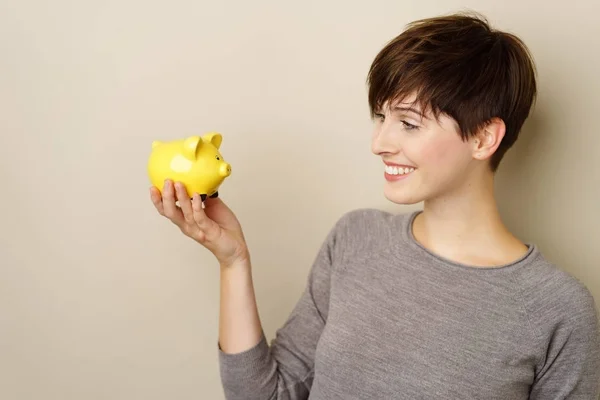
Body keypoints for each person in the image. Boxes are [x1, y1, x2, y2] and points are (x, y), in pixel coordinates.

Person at [149, 12, 600, 400]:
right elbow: (270, 394)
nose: (379, 143)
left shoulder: (557, 310)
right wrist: (233, 262)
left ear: (484, 137)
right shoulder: (355, 239)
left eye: (408, 122)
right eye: (381, 118)